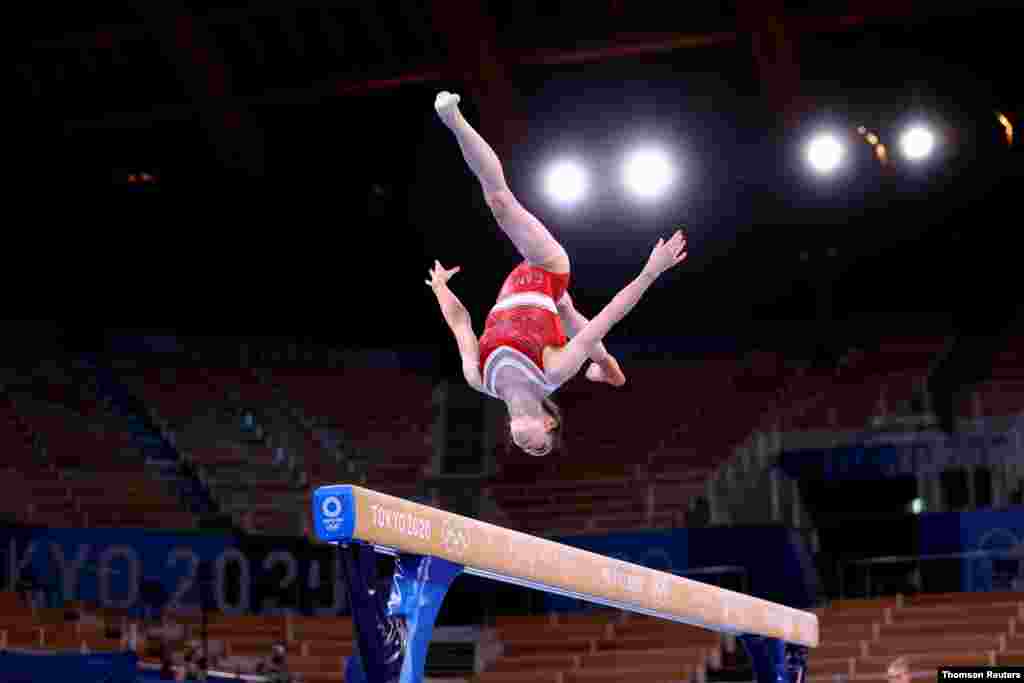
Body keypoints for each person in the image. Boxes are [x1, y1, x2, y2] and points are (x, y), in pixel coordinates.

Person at [429, 91, 688, 457]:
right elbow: (609, 315)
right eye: (540, 449)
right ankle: (454, 117)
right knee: (501, 203)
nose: (530, 449)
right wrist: (650, 272)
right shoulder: (553, 372)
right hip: (550, 269)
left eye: (530, 452)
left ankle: (605, 368)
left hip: (522, 284)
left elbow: (459, 323)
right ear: (549, 424)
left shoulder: (479, 378)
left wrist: (440, 287)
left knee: (502, 210)